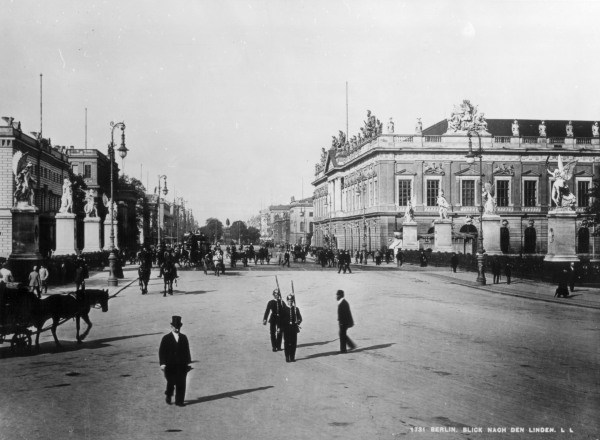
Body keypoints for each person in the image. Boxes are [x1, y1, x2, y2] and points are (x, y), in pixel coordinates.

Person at [158, 315, 192, 407]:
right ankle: (169, 395)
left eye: (178, 327)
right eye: (175, 327)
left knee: (181, 382)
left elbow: (186, 351)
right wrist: (162, 363)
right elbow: (162, 352)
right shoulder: (166, 338)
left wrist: (188, 363)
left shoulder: (184, 338)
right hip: (170, 365)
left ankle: (179, 401)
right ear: (171, 327)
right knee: (171, 382)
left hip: (181, 365)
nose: (177, 329)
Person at [281, 294, 302, 363]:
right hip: (286, 328)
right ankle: (287, 357)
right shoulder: (284, 309)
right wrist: (280, 328)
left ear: (293, 301)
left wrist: (298, 321)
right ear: (287, 301)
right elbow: (281, 319)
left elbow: (300, 318)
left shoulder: (296, 309)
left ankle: (292, 357)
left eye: (291, 300)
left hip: (293, 328)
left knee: (293, 343)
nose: (290, 302)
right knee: (287, 343)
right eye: (289, 300)